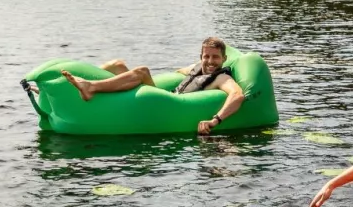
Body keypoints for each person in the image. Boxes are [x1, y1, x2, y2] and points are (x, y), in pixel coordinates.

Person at [60, 36, 244, 136]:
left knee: (142, 72)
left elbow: (237, 95)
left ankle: (91, 87)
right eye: (206, 56)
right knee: (117, 64)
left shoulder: (221, 78)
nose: (210, 61)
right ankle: (73, 87)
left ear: (224, 59)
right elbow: (176, 75)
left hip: (170, 105)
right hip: (166, 95)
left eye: (215, 57)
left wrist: (215, 120)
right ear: (201, 56)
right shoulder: (196, 68)